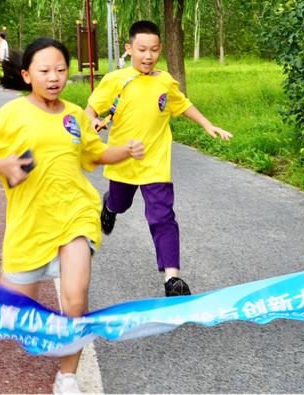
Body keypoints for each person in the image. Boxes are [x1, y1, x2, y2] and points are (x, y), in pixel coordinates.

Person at [0, 37, 144, 394]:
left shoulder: (74, 114)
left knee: (76, 298)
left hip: (76, 213)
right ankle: (39, 330)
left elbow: (94, 153)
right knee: (12, 313)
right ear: (27, 75)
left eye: (61, 69)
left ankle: (68, 376)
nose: (54, 77)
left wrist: (124, 150)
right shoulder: (13, 114)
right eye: (45, 71)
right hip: (30, 222)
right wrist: (4, 165)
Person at [85, 20, 233, 297]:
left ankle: (172, 279)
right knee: (121, 202)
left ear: (160, 49)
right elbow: (90, 110)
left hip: (156, 164)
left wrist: (207, 124)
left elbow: (183, 105)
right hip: (122, 162)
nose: (148, 55)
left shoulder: (165, 82)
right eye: (142, 49)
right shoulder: (116, 80)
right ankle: (110, 206)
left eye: (154, 49)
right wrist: (92, 121)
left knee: (163, 217)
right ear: (129, 49)